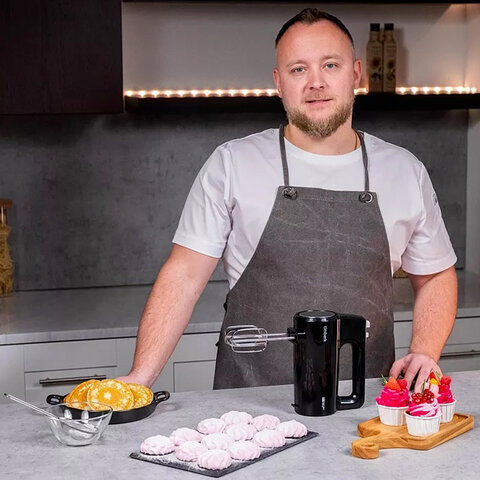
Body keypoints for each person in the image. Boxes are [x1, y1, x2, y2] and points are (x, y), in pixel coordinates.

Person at [117, 9, 457, 392]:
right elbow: (184, 276)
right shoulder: (233, 164)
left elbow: (436, 275)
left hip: (367, 404)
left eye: (330, 65)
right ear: (279, 83)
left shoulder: (404, 171)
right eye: (298, 69)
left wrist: (425, 351)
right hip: (249, 404)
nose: (316, 82)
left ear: (356, 73)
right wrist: (140, 378)